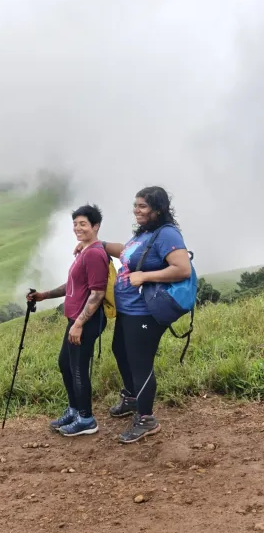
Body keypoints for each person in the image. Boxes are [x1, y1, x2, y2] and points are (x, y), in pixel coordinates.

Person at [74, 186, 191, 443]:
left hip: (146, 311)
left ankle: (147, 419)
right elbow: (125, 251)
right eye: (135, 205)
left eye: (143, 206)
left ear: (158, 209)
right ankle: (132, 398)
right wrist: (95, 244)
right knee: (121, 351)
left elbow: (182, 268)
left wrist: (145, 276)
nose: (136, 211)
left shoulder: (167, 234)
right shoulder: (145, 233)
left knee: (140, 362)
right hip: (129, 309)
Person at [26, 204, 109, 437]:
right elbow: (72, 286)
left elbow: (97, 293)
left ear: (95, 226)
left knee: (79, 369)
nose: (77, 228)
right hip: (75, 319)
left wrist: (80, 324)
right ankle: (75, 410)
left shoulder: (94, 254)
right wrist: (44, 295)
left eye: (83, 224)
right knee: (66, 365)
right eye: (75, 224)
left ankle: (87, 419)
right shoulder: (84, 251)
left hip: (86, 322)